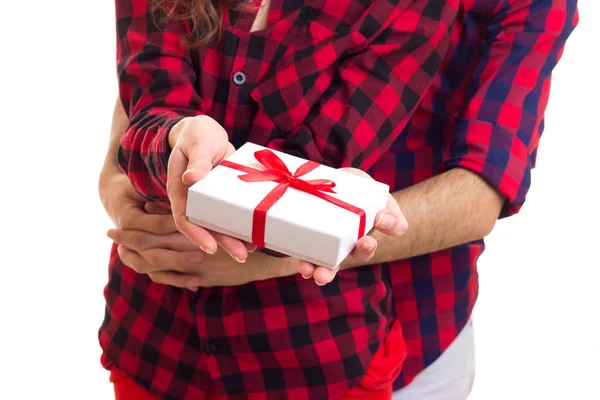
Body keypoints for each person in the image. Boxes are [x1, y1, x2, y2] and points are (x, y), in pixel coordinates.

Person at [99, 0, 578, 399]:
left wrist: (287, 244)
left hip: (385, 315)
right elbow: (148, 95)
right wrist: (120, 188)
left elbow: (480, 193)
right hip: (160, 326)